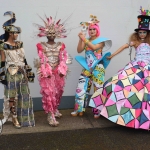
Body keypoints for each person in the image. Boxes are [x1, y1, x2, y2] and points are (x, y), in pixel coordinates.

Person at [89, 7, 150, 130]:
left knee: (145, 93)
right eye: (140, 32)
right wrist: (112, 55)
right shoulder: (135, 43)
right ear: (137, 33)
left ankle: (143, 119)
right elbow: (123, 47)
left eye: (144, 32)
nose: (142, 34)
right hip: (136, 67)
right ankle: (101, 106)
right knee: (119, 84)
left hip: (147, 68)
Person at [71, 15, 112, 118]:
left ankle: (97, 111)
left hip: (98, 67)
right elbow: (79, 50)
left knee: (98, 89)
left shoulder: (101, 41)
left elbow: (94, 47)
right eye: (90, 29)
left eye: (94, 29)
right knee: (81, 87)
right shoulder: (86, 40)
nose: (92, 31)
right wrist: (80, 39)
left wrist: (84, 39)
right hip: (86, 67)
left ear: (97, 30)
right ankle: (78, 109)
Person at [34, 15, 72, 127]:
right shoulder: (41, 45)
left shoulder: (61, 45)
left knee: (58, 92)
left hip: (58, 73)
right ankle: (50, 115)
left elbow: (63, 58)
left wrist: (62, 69)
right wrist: (46, 71)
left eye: (53, 33)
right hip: (47, 73)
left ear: (57, 33)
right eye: (49, 33)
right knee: (49, 93)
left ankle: (55, 109)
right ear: (45, 33)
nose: (51, 35)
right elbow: (41, 59)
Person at [0, 11, 35, 129]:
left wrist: (28, 70)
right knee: (12, 96)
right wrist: (2, 75)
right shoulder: (3, 45)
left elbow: (23, 59)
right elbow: (3, 61)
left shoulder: (20, 44)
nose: (17, 35)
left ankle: (23, 117)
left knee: (24, 95)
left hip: (22, 72)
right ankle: (14, 117)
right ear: (10, 33)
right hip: (11, 72)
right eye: (15, 33)